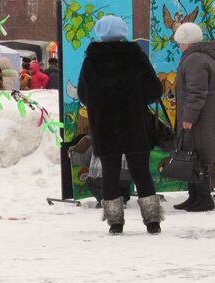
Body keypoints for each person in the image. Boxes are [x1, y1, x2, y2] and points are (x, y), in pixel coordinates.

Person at [78, 15, 164, 234]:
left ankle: (115, 223)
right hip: (134, 124)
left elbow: (82, 94)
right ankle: (152, 221)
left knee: (110, 172)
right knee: (141, 171)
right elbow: (154, 91)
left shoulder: (91, 60)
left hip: (104, 126)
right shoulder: (136, 57)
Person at [171, 22, 215, 212]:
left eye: (180, 41)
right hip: (206, 112)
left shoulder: (195, 60)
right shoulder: (204, 57)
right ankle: (194, 196)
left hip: (201, 116)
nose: (178, 45)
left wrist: (189, 117)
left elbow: (196, 91)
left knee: (196, 155)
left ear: (187, 40)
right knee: (192, 154)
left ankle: (203, 198)